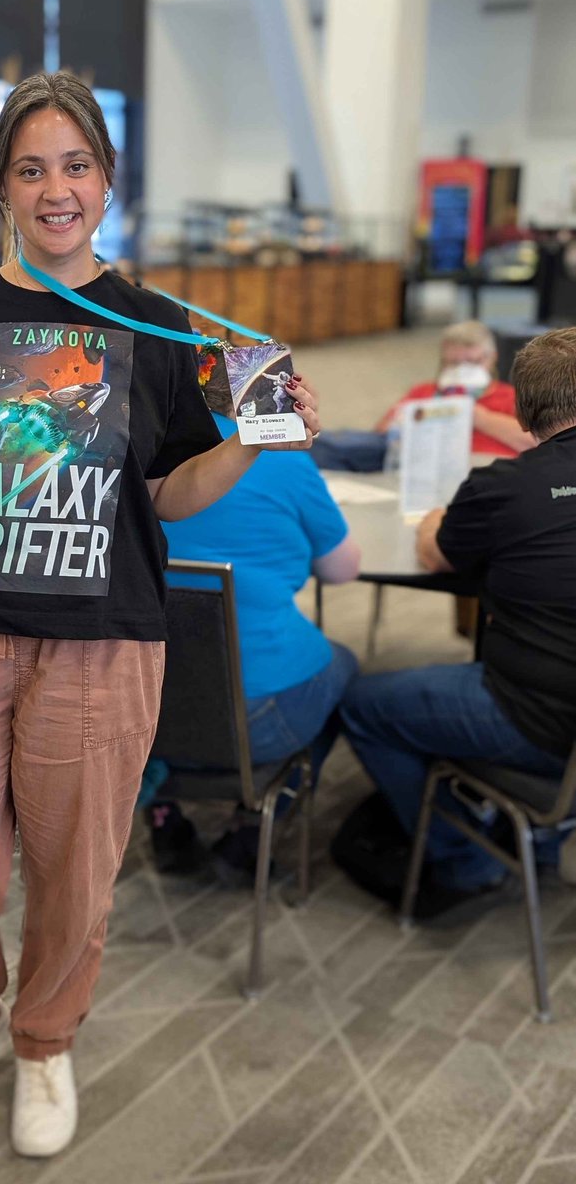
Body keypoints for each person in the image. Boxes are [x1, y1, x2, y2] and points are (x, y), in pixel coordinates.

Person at [0, 73, 321, 1158]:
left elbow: (168, 494)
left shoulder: (157, 324)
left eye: (74, 165)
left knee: (74, 872)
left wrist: (247, 439)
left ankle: (42, 1041)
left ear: (106, 180)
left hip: (100, 643)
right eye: (30, 168)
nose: (55, 188)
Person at [340, 327, 576, 921]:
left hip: (535, 719)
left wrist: (439, 514)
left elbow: (435, 552)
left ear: (520, 411)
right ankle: (538, 829)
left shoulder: (505, 487)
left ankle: (464, 857)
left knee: (361, 704)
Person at [140, 359, 361, 880]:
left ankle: (163, 809)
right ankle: (255, 823)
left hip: (139, 712)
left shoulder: (125, 455)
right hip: (256, 720)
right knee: (347, 670)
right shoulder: (281, 455)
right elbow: (343, 569)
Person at [310, 321, 535, 472]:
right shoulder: (425, 392)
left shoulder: (511, 397)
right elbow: (381, 436)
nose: (463, 370)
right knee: (335, 444)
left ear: (492, 358)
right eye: (454, 363)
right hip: (421, 469)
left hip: (484, 468)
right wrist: (419, 417)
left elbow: (539, 442)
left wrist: (476, 416)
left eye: (473, 362)